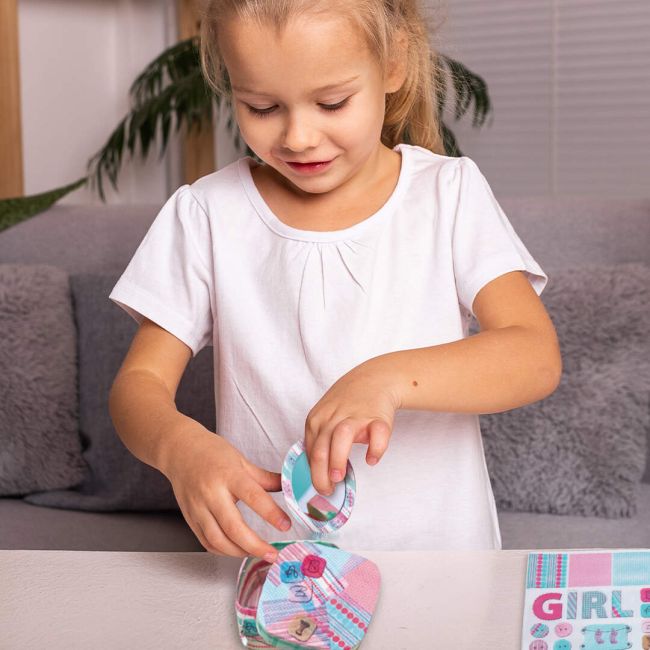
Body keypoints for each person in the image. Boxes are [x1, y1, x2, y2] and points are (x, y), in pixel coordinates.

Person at [108, 0, 562, 564]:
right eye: (262, 107)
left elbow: (534, 355)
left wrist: (385, 379)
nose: (299, 137)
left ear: (393, 64)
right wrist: (180, 449)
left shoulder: (449, 194)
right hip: (274, 575)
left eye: (332, 103)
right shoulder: (207, 214)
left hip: (444, 566)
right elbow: (138, 385)